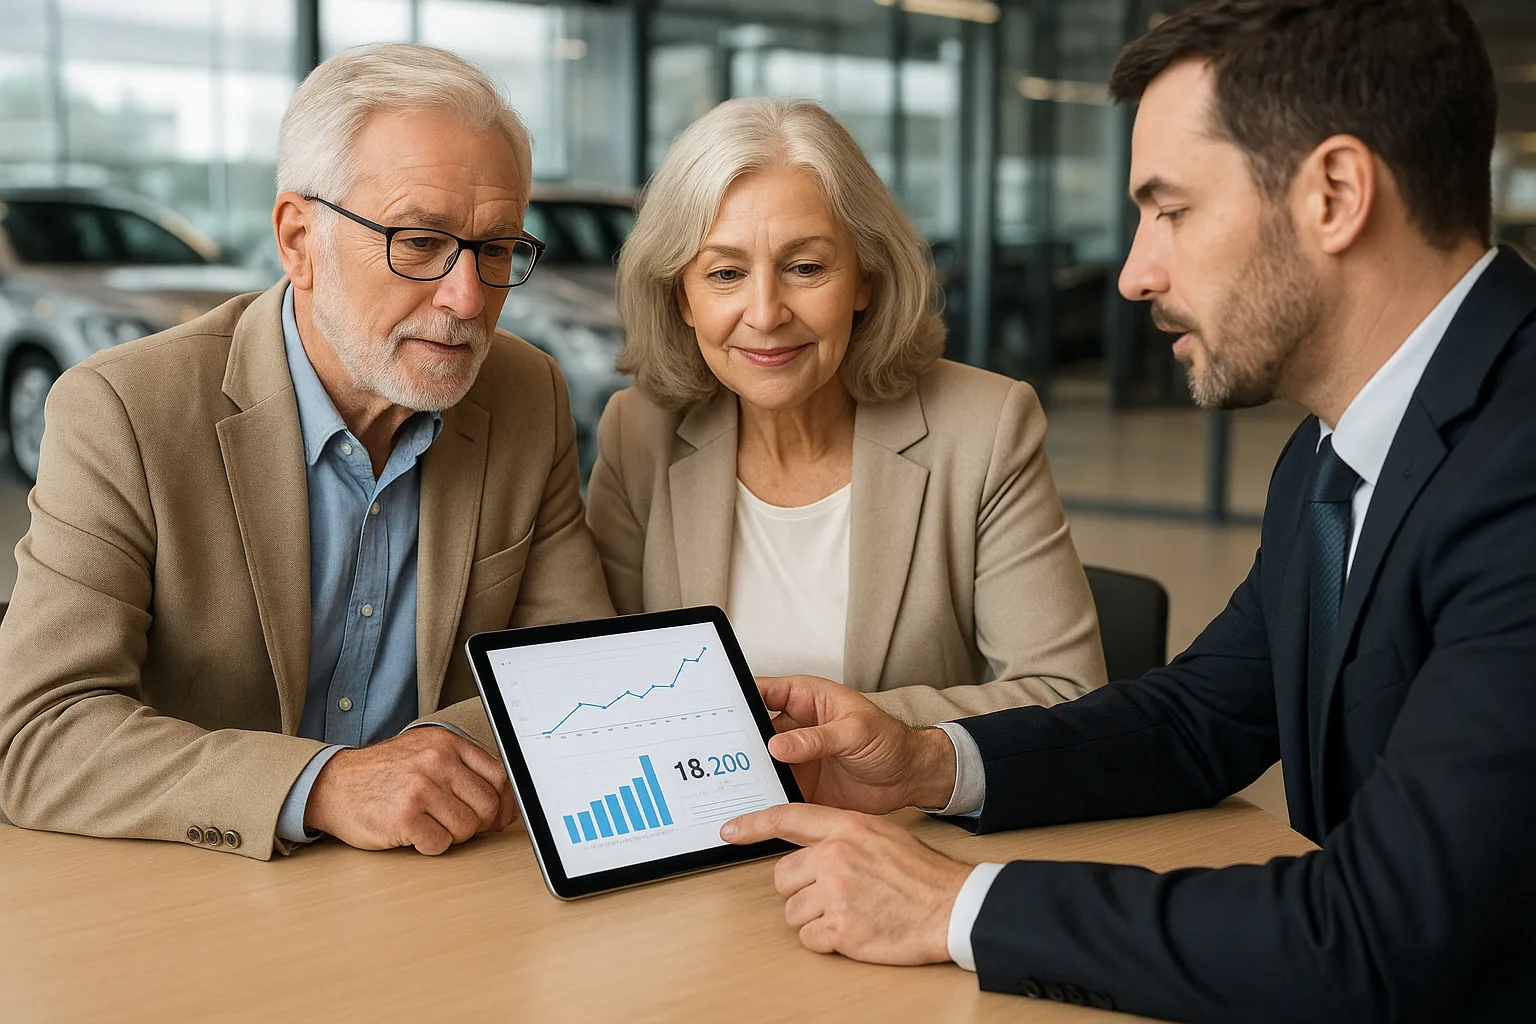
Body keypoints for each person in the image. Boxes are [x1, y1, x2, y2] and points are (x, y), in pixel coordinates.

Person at [720, 0, 1536, 1019]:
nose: (1134, 272)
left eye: (1173, 211)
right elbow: (1201, 718)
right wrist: (923, 763)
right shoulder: (1338, 449)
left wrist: (956, 905)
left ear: (1334, 192)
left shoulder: (1518, 470)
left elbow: (1378, 930)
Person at [0, 44, 615, 859]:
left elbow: (572, 671)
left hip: (430, 892)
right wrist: (323, 785)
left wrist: (426, 766)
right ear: (299, 240)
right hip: (188, 904)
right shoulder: (123, 411)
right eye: (420, 242)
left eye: (496, 249)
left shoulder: (525, 393)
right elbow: (39, 734)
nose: (468, 299)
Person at [585, 98, 1107, 726]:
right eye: (724, 274)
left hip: (902, 819)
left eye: (806, 268)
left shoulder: (985, 426)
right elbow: (596, 677)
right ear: (682, 298)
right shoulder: (638, 431)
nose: (766, 312)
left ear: (866, 278)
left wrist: (853, 733)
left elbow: (1065, 692)